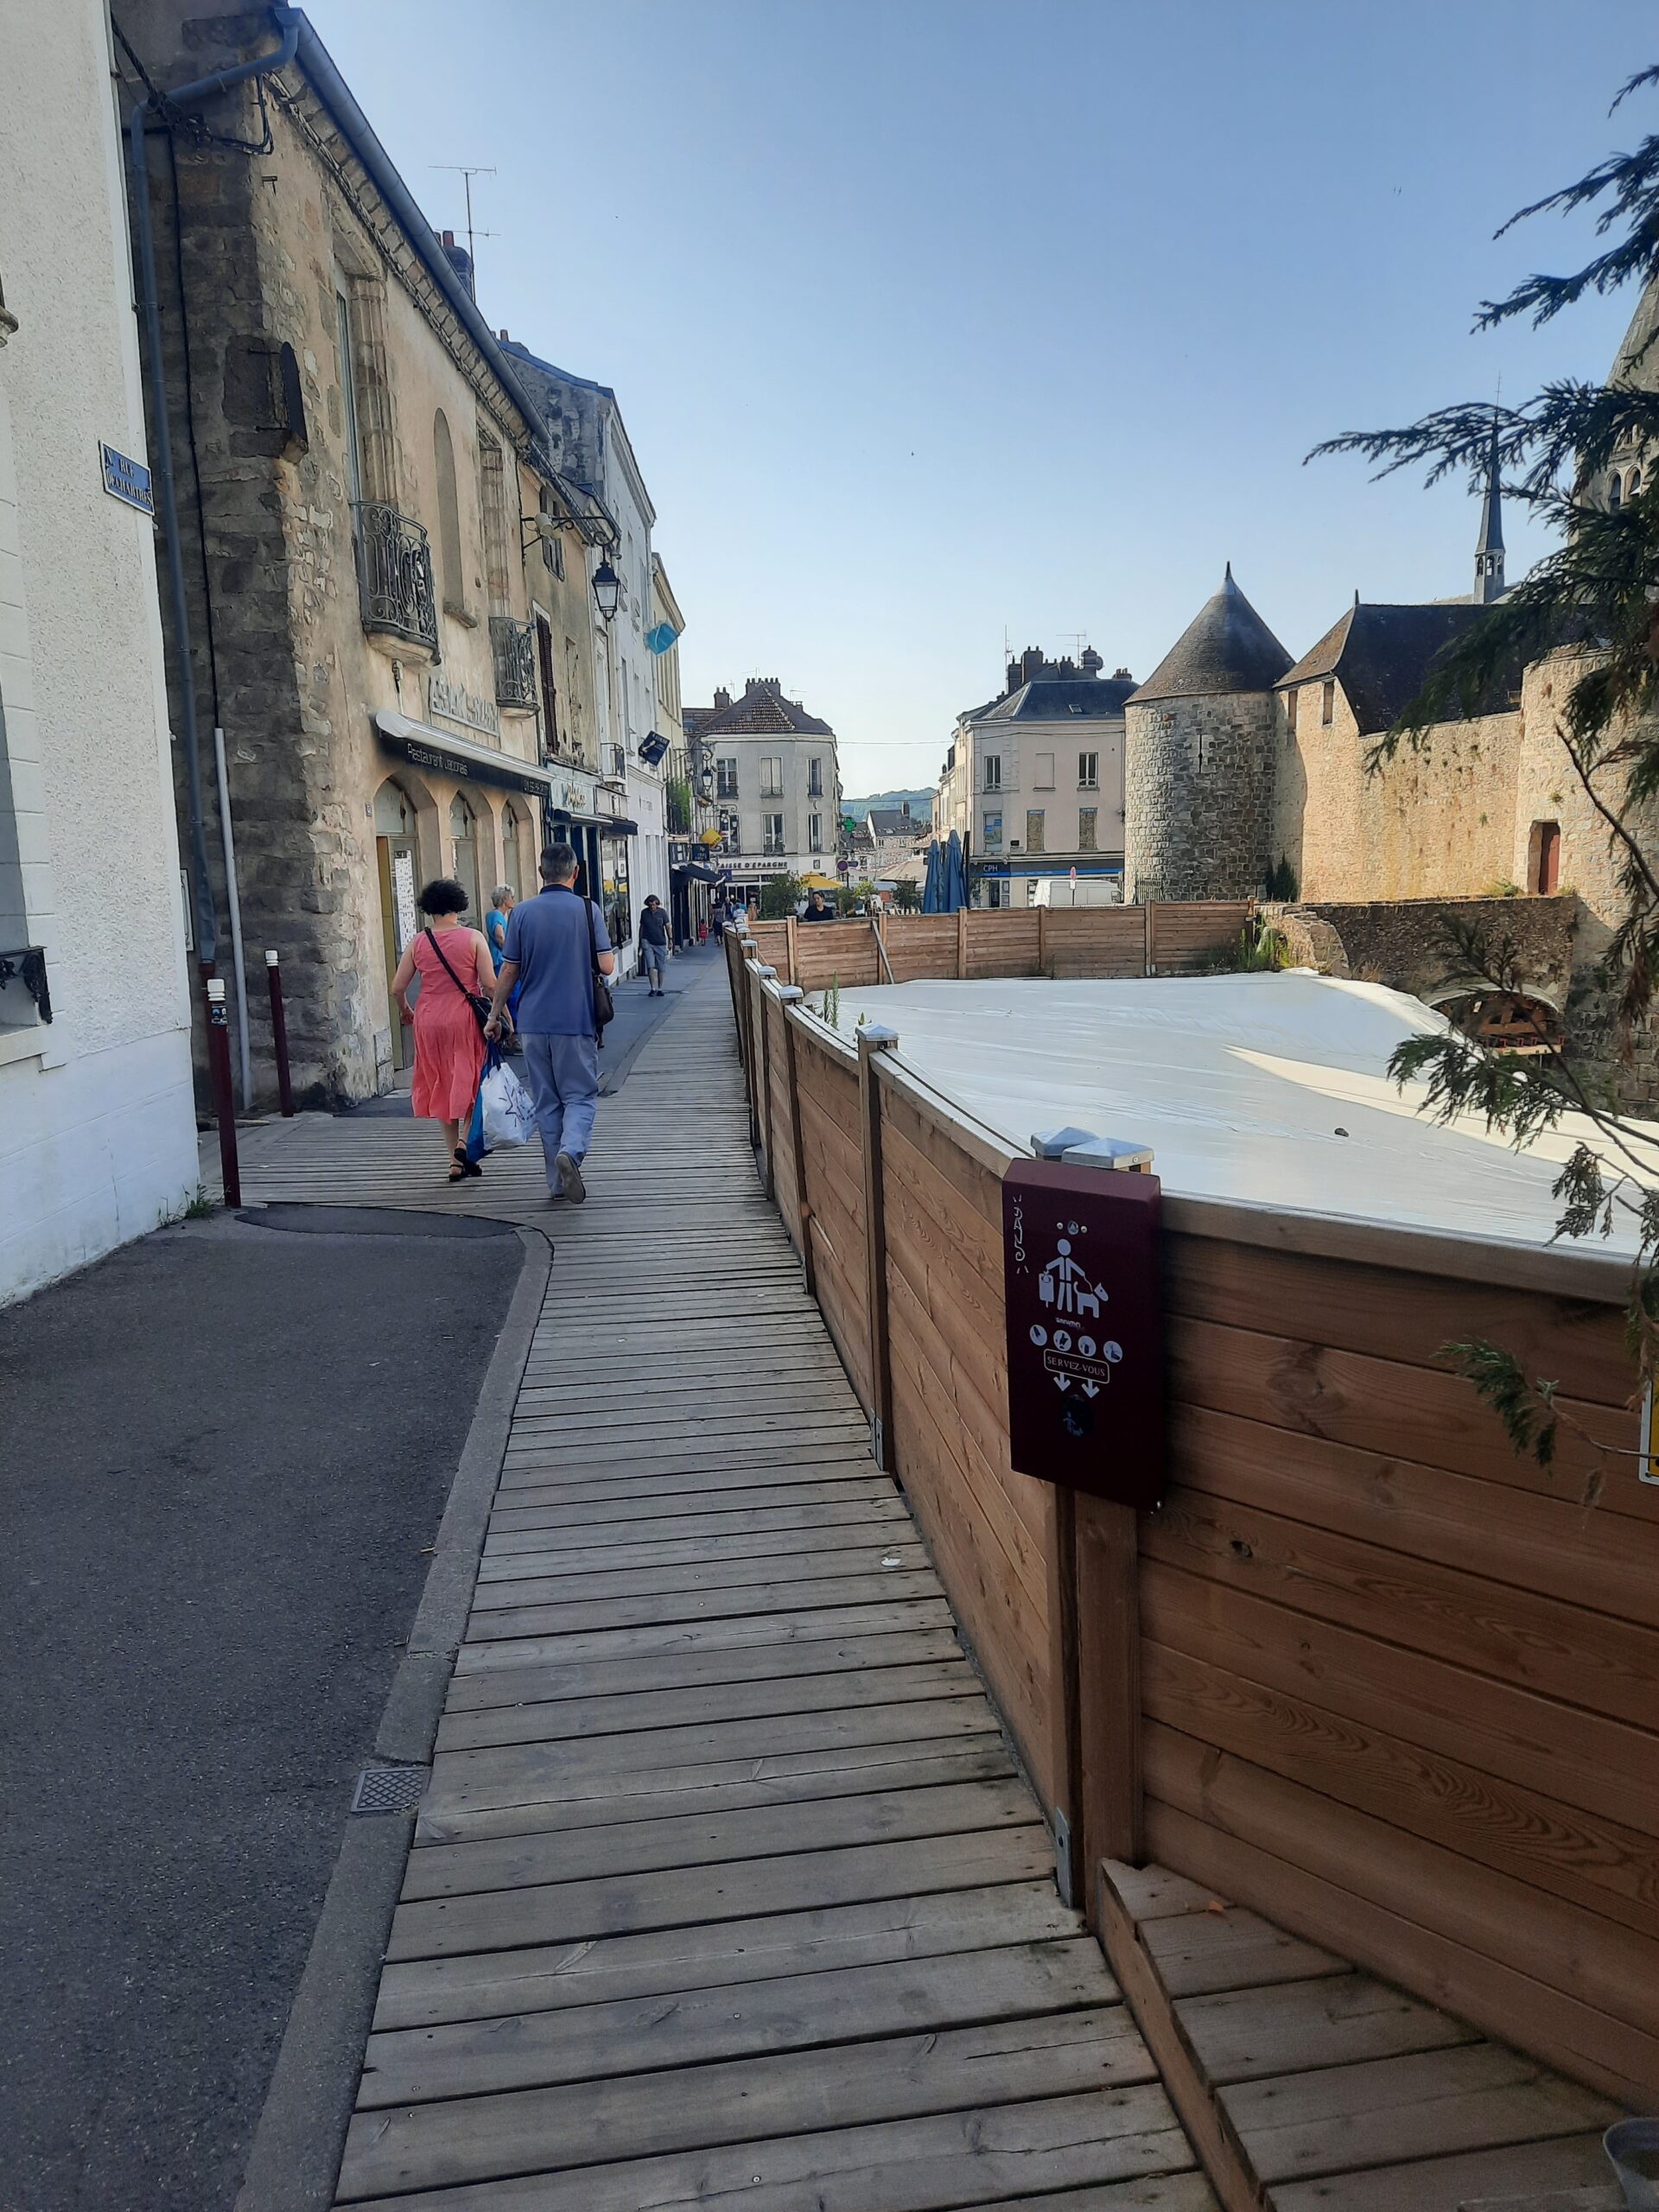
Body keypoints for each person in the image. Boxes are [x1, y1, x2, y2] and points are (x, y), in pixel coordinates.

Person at [485, 842, 615, 1205]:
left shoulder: (521, 914)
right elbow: (606, 966)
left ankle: (556, 1182)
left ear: (541, 873)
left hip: (533, 1022)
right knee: (580, 1095)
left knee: (546, 1101)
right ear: (575, 873)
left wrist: (496, 1016)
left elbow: (509, 970)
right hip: (576, 1019)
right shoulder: (588, 911)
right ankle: (571, 1153)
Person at [390, 878, 494, 1184]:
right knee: (473, 1079)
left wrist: (407, 1011)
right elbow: (488, 984)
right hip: (463, 1016)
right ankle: (464, 1144)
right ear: (459, 904)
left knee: (442, 1082)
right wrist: (502, 1014)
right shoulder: (473, 938)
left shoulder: (418, 942)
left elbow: (398, 987)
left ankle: (454, 1162)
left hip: (428, 1017)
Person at [639, 893, 670, 995]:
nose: (652, 907)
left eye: (654, 905)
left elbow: (668, 926)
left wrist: (671, 940)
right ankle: (653, 988)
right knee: (650, 965)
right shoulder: (644, 913)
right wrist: (640, 942)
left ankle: (660, 988)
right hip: (647, 941)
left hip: (660, 942)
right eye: (650, 905)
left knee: (661, 967)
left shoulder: (662, 913)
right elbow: (642, 927)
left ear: (657, 904)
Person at [484, 884, 516, 969]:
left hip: (497, 959)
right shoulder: (496, 915)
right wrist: (511, 953)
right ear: (504, 899)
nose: (514, 900)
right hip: (500, 960)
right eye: (512, 897)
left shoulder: (493, 915)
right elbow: (500, 936)